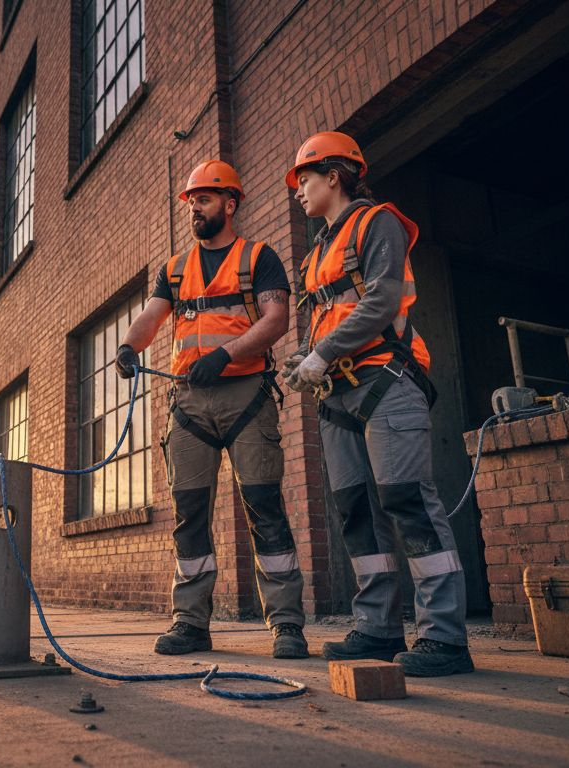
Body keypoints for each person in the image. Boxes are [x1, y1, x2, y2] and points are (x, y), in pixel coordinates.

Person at [282, 132, 473, 676]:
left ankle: (444, 638)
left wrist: (321, 353)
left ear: (334, 176)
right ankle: (378, 627)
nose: (298, 191)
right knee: (357, 513)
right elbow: (328, 319)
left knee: (407, 501)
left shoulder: (377, 222)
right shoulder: (317, 250)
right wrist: (304, 359)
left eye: (304, 179)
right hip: (336, 393)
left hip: (386, 380)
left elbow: (382, 300)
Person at [116, 160, 308, 659]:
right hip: (189, 405)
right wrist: (129, 349)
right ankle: (191, 623)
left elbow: (277, 317)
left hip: (246, 395)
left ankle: (287, 625)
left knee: (265, 507)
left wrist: (226, 354)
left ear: (230, 202)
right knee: (190, 514)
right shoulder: (174, 269)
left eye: (203, 198)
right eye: (191, 200)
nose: (194, 208)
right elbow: (152, 317)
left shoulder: (259, 257)